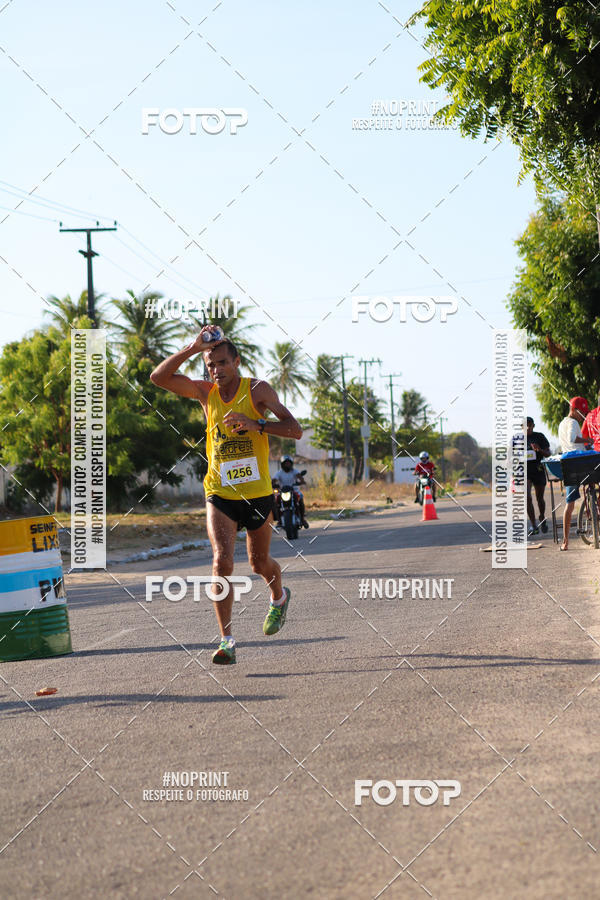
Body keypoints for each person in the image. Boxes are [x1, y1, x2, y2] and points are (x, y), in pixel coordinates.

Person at [150, 327, 303, 665]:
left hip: (258, 492)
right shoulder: (207, 394)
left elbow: (294, 429)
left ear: (236, 361)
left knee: (259, 563)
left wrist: (255, 424)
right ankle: (227, 640)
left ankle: (278, 598)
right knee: (221, 561)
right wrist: (193, 348)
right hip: (219, 491)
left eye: (221, 363)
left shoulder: (258, 390)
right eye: (210, 365)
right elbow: (159, 377)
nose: (216, 370)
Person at [557, 396, 590, 550]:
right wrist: (587, 440)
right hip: (579, 463)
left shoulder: (562, 423)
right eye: (582, 412)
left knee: (569, 506)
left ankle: (565, 542)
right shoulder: (573, 422)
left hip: (568, 465)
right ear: (574, 410)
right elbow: (572, 439)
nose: (583, 416)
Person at [526, 416, 550, 535]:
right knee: (527, 496)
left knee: (539, 498)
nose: (527, 427)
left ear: (533, 426)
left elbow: (548, 454)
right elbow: (509, 457)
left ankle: (542, 517)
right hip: (524, 472)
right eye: (524, 425)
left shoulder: (539, 436)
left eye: (529, 425)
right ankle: (533, 525)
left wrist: (539, 450)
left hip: (538, 470)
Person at [272, 455, 308, 528]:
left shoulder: (295, 471)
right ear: (282, 464)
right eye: (286, 463)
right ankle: (279, 521)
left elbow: (300, 477)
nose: (287, 464)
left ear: (291, 464)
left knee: (300, 499)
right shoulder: (279, 473)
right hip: (282, 492)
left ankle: (302, 519)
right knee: (276, 502)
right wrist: (273, 484)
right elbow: (274, 480)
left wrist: (301, 481)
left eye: (289, 463)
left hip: (294, 491)